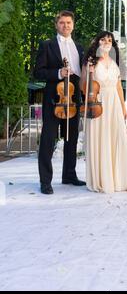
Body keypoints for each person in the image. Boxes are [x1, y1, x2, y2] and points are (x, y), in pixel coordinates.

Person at [34, 10, 86, 194]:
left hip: (72, 98)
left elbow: (82, 73)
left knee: (71, 139)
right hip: (54, 98)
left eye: (69, 22)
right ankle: (45, 181)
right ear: (57, 25)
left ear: (73, 25)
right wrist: (58, 73)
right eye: (62, 22)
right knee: (48, 139)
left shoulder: (79, 47)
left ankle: (69, 175)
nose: (66, 26)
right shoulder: (47, 45)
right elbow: (38, 72)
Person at [80, 31, 127, 193]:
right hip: (97, 103)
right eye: (103, 39)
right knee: (100, 138)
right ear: (97, 42)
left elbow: (118, 87)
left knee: (115, 138)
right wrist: (88, 73)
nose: (106, 42)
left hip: (114, 104)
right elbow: (83, 86)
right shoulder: (90, 61)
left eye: (109, 40)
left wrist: (123, 108)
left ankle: (116, 179)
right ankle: (101, 179)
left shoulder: (114, 61)